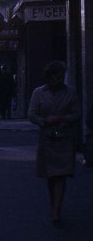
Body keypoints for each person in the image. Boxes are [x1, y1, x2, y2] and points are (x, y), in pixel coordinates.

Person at [28, 60, 82, 226]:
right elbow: (31, 114)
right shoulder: (39, 93)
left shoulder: (71, 92)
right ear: (49, 78)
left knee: (60, 174)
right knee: (51, 175)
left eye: (62, 77)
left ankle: (56, 210)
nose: (60, 80)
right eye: (57, 77)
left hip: (65, 137)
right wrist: (44, 121)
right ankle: (54, 205)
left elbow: (77, 114)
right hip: (47, 137)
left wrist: (62, 118)